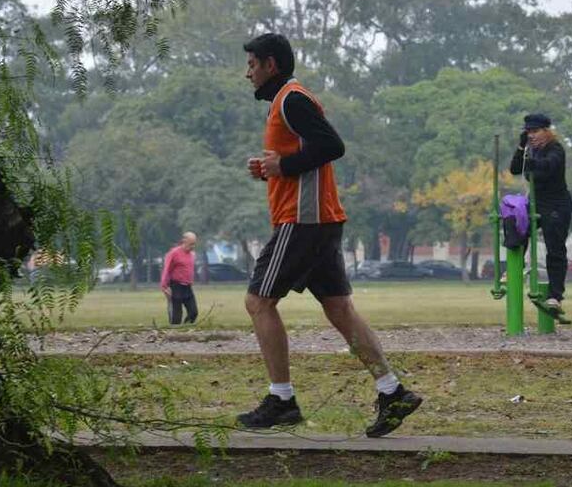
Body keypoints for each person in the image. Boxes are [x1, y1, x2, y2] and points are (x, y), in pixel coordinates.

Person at [238, 32, 422, 438]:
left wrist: (282, 166)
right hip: (319, 220)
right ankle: (392, 392)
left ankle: (281, 399)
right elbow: (307, 153)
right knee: (339, 309)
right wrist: (273, 167)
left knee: (258, 301)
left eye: (252, 64)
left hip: (304, 222)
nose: (247, 73)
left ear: (271, 64)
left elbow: (332, 145)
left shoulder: (292, 99)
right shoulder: (285, 103)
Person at [510, 113, 572, 314]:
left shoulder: (555, 149)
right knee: (515, 223)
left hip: (556, 204)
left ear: (547, 131)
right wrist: (521, 148)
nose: (532, 136)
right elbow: (514, 169)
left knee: (554, 249)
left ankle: (555, 296)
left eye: (535, 131)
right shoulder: (530, 151)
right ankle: (514, 269)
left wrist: (530, 163)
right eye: (528, 132)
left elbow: (549, 166)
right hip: (536, 202)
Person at [160, 232, 199, 325]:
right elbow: (166, 269)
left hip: (187, 287)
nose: (193, 246)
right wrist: (164, 286)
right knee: (176, 317)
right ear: (184, 241)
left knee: (193, 312)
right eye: (191, 244)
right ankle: (174, 334)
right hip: (176, 287)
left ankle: (185, 329)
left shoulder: (192, 255)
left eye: (194, 244)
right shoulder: (174, 253)